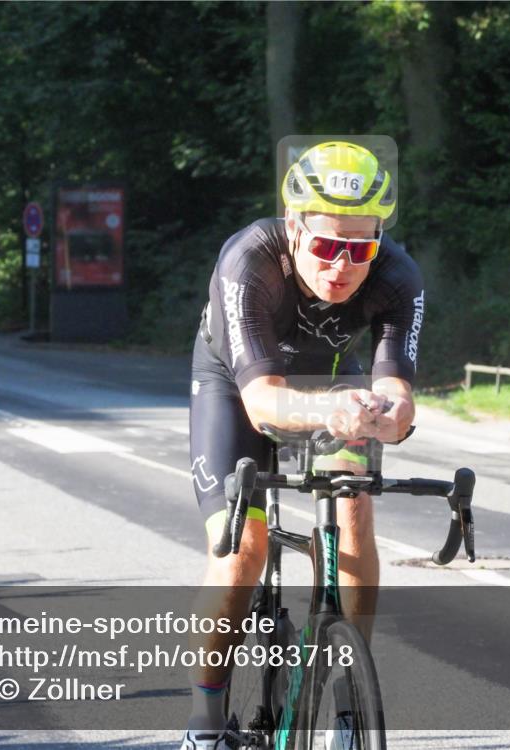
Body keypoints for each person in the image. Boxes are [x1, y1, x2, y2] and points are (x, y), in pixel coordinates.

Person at [182, 141, 424, 749]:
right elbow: (263, 401)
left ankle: (348, 711)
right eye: (324, 245)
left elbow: (397, 393)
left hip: (333, 385)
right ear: (294, 226)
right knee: (241, 548)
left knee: (353, 511)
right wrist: (331, 409)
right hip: (238, 384)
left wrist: (387, 416)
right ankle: (204, 726)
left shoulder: (398, 278)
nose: (341, 265)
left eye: (359, 248)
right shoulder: (249, 260)